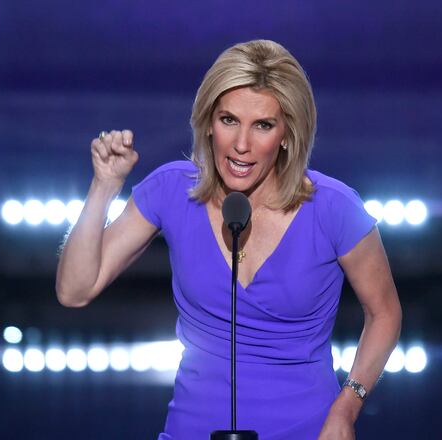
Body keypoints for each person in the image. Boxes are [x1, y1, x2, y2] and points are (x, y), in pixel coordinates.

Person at [56, 39, 402, 440]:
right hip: (193, 430)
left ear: (288, 133)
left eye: (263, 125)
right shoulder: (172, 191)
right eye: (229, 120)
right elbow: (74, 290)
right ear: (207, 122)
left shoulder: (334, 208)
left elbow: (385, 313)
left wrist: (348, 406)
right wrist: (104, 187)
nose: (241, 145)